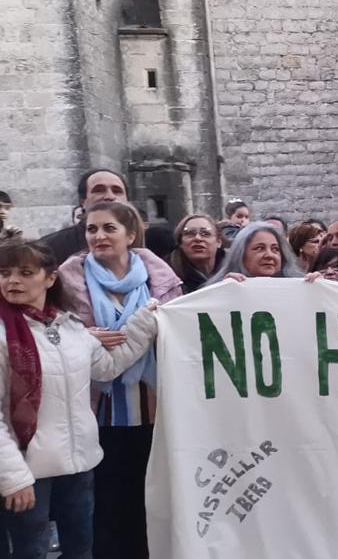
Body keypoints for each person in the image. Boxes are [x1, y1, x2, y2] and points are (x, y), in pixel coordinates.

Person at [0, 241, 162, 559]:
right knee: (29, 552)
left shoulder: (70, 327)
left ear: (50, 278)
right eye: (4, 273)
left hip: (79, 466)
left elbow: (106, 368)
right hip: (29, 471)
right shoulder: (4, 336)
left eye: (25, 272)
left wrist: (143, 324)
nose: (12, 280)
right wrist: (13, 477)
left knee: (80, 549)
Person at [54, 201, 181, 559]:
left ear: (130, 234)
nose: (99, 236)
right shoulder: (68, 280)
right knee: (108, 502)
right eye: (92, 229)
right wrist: (83, 336)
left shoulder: (162, 279)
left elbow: (187, 325)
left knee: (151, 497)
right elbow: (53, 329)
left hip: (156, 408)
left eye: (109, 228)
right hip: (98, 408)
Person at [40, 169, 161, 264]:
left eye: (117, 190)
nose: (109, 196)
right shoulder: (50, 248)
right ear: (83, 201)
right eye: (99, 190)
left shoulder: (156, 245)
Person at [206, 223, 307, 284]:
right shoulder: (219, 289)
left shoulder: (299, 287)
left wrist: (317, 286)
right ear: (240, 255)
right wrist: (223, 291)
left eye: (275, 249)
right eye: (260, 248)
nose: (269, 255)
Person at [166, 214, 225, 294]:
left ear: (219, 241)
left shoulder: (233, 268)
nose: (197, 238)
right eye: (190, 233)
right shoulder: (167, 275)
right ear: (180, 242)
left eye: (205, 233)